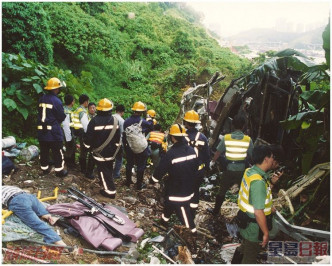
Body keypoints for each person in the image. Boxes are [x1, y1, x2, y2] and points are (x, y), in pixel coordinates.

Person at [234, 145, 280, 264]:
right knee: (250, 257)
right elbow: (258, 211)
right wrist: (265, 233)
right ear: (266, 159)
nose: (273, 160)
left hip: (245, 222)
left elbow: (256, 195)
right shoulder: (258, 181)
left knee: (244, 248)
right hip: (254, 228)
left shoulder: (250, 171)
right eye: (272, 157)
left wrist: (272, 183)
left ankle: (235, 262)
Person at [150, 124, 199, 234]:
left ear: (172, 137)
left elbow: (160, 171)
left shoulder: (171, 153)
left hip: (178, 192)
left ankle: (193, 232)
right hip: (190, 187)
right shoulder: (192, 150)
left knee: (184, 214)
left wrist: (153, 179)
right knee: (169, 203)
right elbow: (196, 167)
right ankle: (164, 221)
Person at [208, 114, 253, 215]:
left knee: (222, 191)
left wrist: (212, 162)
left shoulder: (226, 138)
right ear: (243, 126)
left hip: (228, 170)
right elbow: (252, 155)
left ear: (232, 125)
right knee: (244, 192)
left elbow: (218, 153)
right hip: (241, 171)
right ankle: (246, 213)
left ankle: (215, 211)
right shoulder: (248, 140)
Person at [2, 185, 66, 246]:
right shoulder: (6, 187)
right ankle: (48, 216)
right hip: (29, 196)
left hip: (18, 201)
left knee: (36, 224)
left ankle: (61, 243)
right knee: (43, 212)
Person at [83, 98, 121, 198]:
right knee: (108, 169)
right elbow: (118, 138)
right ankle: (107, 185)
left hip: (99, 153)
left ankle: (110, 191)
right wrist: (116, 150)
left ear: (99, 109)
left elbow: (88, 138)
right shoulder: (115, 120)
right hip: (112, 152)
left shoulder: (94, 121)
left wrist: (87, 147)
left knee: (102, 171)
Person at [37, 77, 68, 177]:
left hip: (42, 130)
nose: (59, 90)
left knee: (44, 150)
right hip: (53, 132)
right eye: (58, 88)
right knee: (58, 151)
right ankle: (59, 171)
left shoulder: (41, 98)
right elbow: (61, 116)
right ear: (55, 89)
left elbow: (39, 112)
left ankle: (44, 169)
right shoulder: (57, 101)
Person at [183, 110, 210, 218]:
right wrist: (207, 168)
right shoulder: (202, 137)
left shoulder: (181, 137)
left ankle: (183, 211)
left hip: (184, 170)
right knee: (195, 192)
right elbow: (207, 155)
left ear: (185, 122)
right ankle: (192, 214)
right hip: (198, 171)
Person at [123, 101, 153, 190]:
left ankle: (128, 182)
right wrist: (148, 117)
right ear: (142, 111)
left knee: (129, 164)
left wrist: (126, 147)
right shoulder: (143, 121)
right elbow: (151, 127)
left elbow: (125, 134)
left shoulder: (126, 121)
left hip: (130, 146)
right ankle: (138, 186)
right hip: (141, 147)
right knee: (141, 165)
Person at [72, 94, 90, 177]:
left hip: (77, 132)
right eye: (88, 101)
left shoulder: (77, 109)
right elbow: (85, 125)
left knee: (83, 151)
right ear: (85, 102)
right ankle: (83, 169)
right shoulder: (82, 112)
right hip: (83, 133)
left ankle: (82, 167)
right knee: (84, 151)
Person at [62, 94, 76, 168]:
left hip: (68, 131)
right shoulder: (67, 112)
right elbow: (66, 125)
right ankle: (69, 164)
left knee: (70, 148)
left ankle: (70, 163)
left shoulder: (65, 109)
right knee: (70, 148)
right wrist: (68, 138)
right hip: (68, 132)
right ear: (72, 102)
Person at [112, 104, 125, 179]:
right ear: (122, 112)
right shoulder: (122, 120)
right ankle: (116, 174)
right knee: (119, 159)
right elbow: (122, 133)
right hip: (118, 142)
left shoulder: (111, 117)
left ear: (116, 110)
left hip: (108, 142)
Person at [86, 102, 97, 179]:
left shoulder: (97, 117)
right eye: (91, 108)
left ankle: (92, 170)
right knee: (91, 156)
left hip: (96, 139)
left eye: (94, 108)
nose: (92, 109)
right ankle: (88, 172)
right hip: (90, 138)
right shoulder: (86, 116)